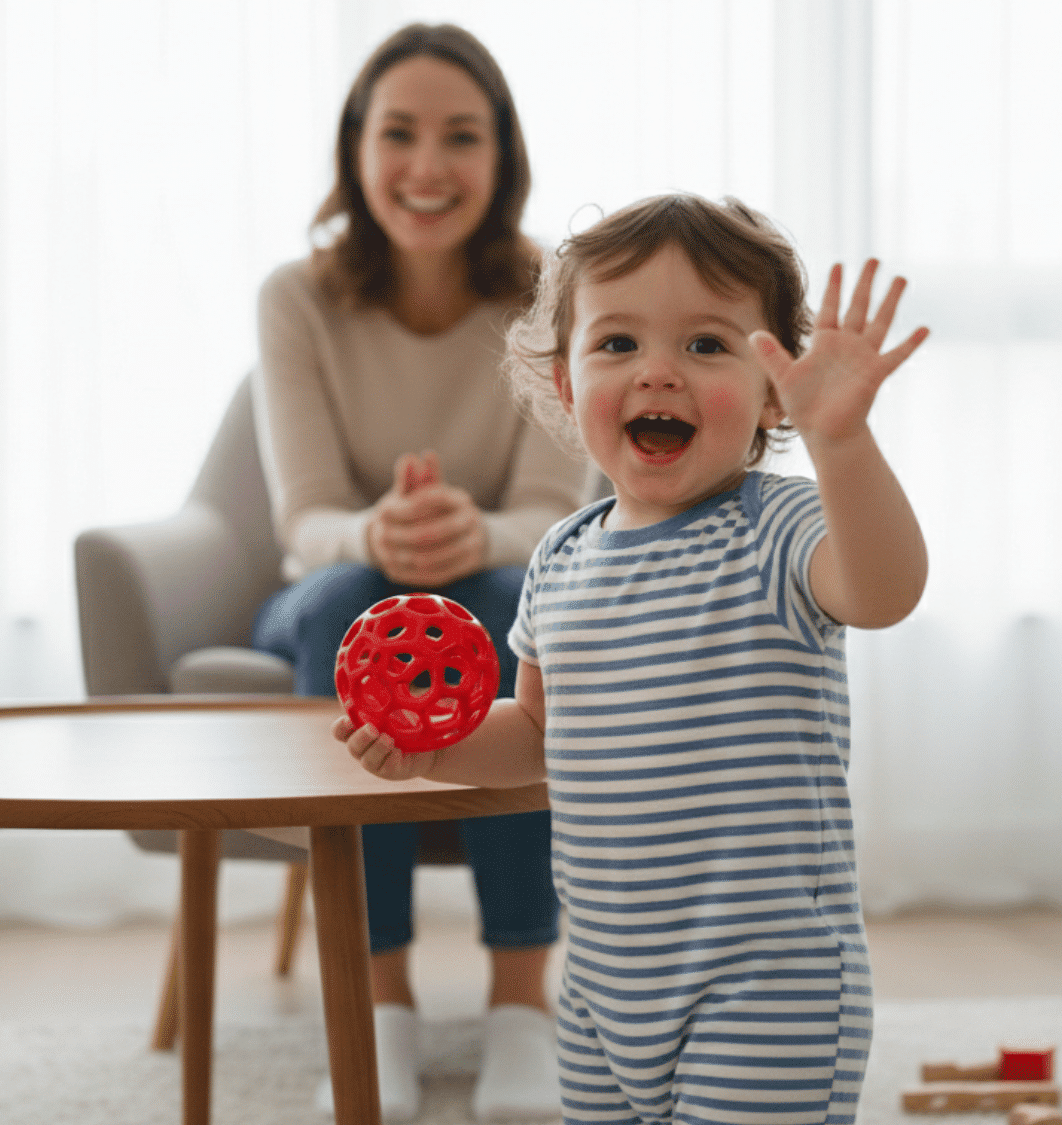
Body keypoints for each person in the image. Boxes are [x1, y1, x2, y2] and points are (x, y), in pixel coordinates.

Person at [334, 193, 932, 1125]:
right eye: (617, 345)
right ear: (568, 386)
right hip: (605, 986)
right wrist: (435, 752)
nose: (659, 372)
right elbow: (534, 733)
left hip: (768, 980)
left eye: (706, 345)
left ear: (777, 387)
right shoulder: (561, 559)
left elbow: (886, 589)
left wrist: (843, 444)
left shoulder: (779, 529)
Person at [248, 23, 587, 1124]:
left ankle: (520, 1008)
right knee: (352, 603)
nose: (427, 167)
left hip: (493, 584)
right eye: (397, 134)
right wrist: (379, 538)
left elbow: (553, 514)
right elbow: (302, 523)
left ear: (501, 158)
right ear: (356, 150)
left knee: (506, 608)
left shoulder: (552, 295)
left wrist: (469, 537)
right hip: (330, 590)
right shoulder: (295, 298)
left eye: (460, 136)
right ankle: (376, 1004)